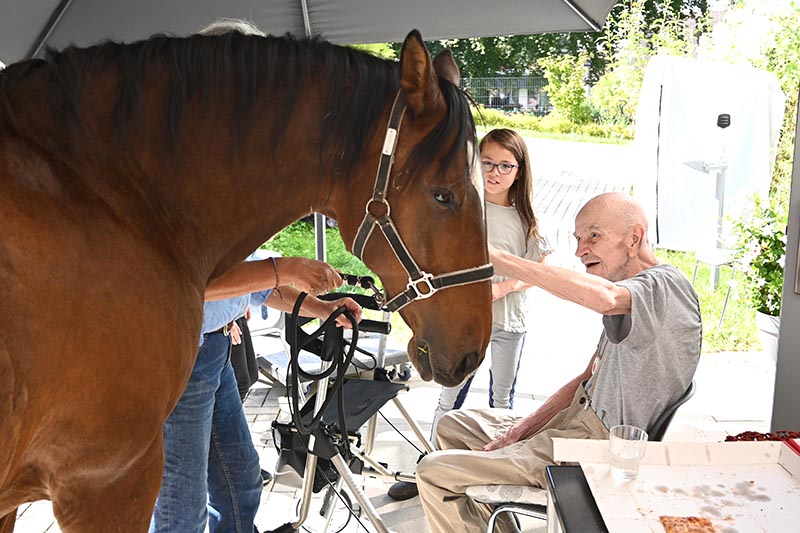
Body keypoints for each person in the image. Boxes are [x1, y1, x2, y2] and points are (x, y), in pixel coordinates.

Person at [416, 192, 702, 533]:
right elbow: (585, 378)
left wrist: (501, 261)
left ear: (634, 238)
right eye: (578, 239)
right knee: (453, 425)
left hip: (595, 446)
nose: (581, 250)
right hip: (575, 420)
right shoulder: (635, 300)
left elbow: (604, 298)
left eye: (594, 236)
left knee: (433, 472)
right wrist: (521, 430)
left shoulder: (665, 286)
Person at [388, 128, 550, 502]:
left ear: (520, 171)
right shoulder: (465, 208)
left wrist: (503, 288)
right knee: (449, 395)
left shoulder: (526, 218)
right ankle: (427, 466)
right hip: (465, 324)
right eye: (488, 162)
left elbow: (539, 267)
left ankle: (494, 472)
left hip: (508, 323)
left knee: (502, 400)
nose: (494, 172)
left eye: (505, 165)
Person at [150, 254, 361, 533]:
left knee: (240, 482)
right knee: (183, 509)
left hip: (216, 348)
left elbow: (256, 285)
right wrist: (285, 270)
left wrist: (322, 308)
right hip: (184, 357)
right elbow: (189, 281)